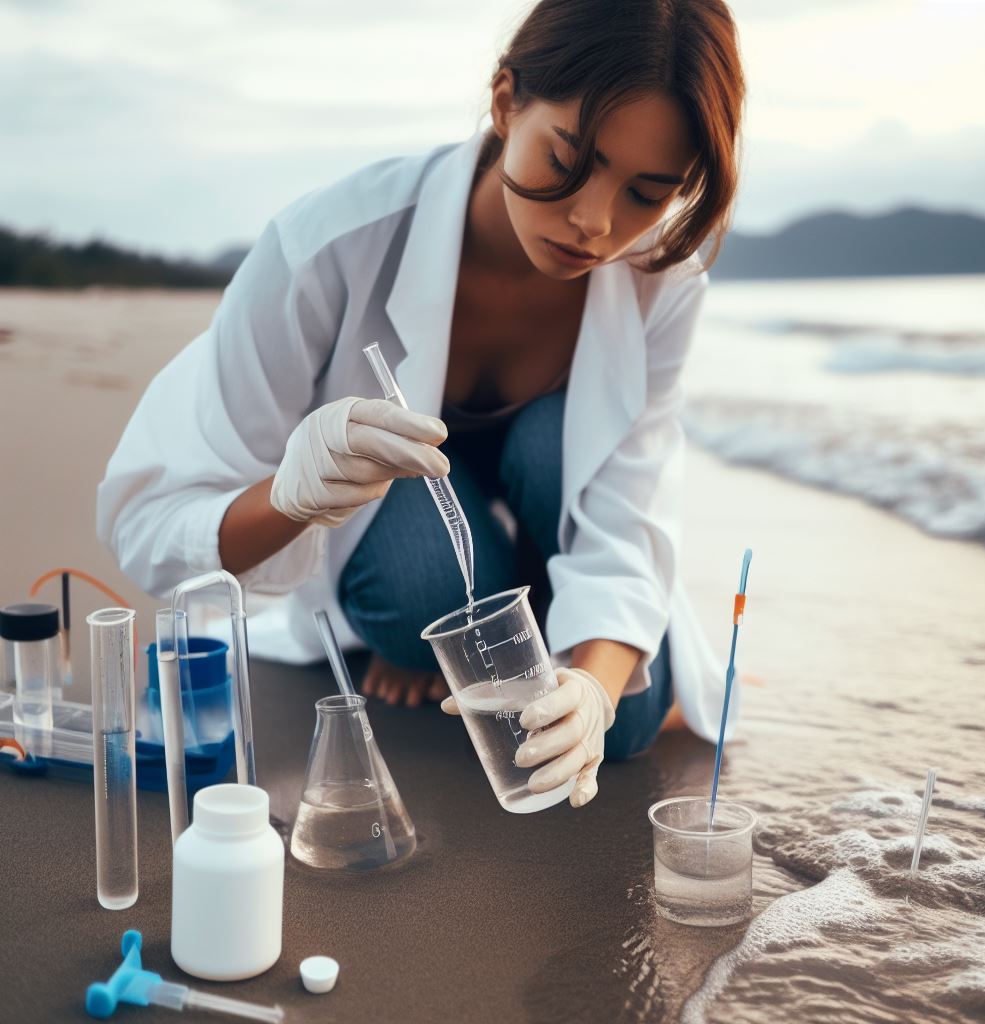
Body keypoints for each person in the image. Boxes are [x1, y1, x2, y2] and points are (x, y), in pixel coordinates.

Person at [98, 0, 745, 809]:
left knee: (627, 720)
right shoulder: (326, 246)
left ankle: (527, 643)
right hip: (410, 538)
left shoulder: (662, 281)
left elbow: (627, 511)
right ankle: (438, 625)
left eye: (649, 194)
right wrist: (294, 496)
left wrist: (595, 691)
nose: (594, 221)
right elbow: (148, 523)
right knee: (429, 591)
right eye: (570, 161)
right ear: (508, 102)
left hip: (549, 531)